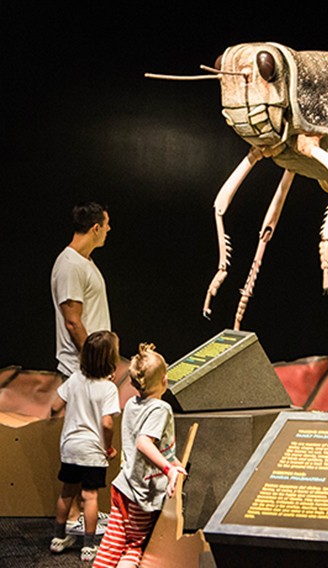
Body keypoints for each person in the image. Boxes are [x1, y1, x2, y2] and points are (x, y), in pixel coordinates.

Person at [93, 343, 187, 568]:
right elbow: (143, 443)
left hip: (122, 488)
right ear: (164, 380)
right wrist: (169, 470)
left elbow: (159, 447)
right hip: (141, 495)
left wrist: (174, 462)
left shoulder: (131, 404)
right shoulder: (160, 409)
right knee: (134, 546)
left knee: (113, 542)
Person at [49, 330, 122, 561]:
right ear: (111, 359)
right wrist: (108, 448)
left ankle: (58, 538)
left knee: (66, 493)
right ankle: (89, 546)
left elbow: (55, 406)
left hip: (70, 447)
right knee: (90, 496)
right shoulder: (108, 389)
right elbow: (107, 423)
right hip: (93, 450)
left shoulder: (74, 379)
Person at [52, 201, 112, 379]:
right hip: (79, 372)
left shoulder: (84, 262)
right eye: (106, 224)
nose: (108, 229)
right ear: (96, 228)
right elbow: (73, 322)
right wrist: (95, 363)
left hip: (90, 371)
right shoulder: (70, 265)